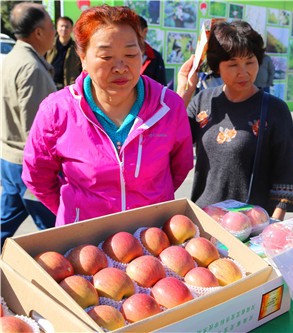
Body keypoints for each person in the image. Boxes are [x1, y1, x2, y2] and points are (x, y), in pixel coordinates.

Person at [22, 5, 193, 227]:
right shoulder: (56, 111)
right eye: (106, 56)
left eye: (131, 54)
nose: (121, 67)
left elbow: (179, 168)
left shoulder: (169, 106)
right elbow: (37, 177)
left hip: (153, 238)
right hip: (84, 244)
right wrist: (73, 211)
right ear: (82, 57)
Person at [177, 20, 293, 220]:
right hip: (205, 220)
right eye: (233, 64)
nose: (243, 72)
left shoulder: (275, 109)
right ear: (217, 67)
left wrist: (272, 227)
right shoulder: (202, 103)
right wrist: (185, 93)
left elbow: (284, 177)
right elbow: (170, 143)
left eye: (250, 62)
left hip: (251, 225)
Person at [1, 2, 57, 247]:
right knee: (57, 231)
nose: (54, 32)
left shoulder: (10, 58)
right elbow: (37, 131)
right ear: (38, 33)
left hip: (9, 157)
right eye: (51, 26)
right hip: (28, 165)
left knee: (6, 221)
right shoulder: (31, 68)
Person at [45, 16, 82, 89]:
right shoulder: (48, 45)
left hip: (68, 86)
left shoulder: (77, 48)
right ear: (57, 28)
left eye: (67, 27)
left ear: (72, 29)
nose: (64, 29)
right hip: (49, 84)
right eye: (61, 26)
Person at [138, 15, 167, 86]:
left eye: (135, 31)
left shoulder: (155, 57)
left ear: (145, 31)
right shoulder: (120, 55)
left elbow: (161, 87)